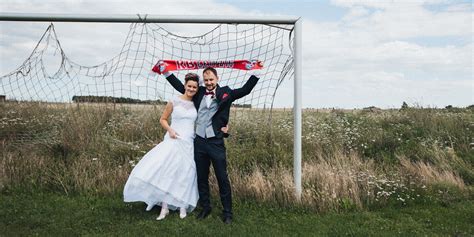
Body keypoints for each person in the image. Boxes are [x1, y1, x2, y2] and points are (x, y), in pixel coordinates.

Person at [164, 67, 260, 224]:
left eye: (211, 80)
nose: (208, 83)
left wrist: (256, 73)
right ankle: (205, 207)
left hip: (216, 142)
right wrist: (166, 72)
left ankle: (227, 212)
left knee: (222, 177)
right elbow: (181, 86)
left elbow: (245, 90)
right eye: (206, 80)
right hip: (199, 141)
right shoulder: (199, 91)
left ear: (217, 79)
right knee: (201, 177)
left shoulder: (226, 93)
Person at [123, 73, 201, 220]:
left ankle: (182, 205)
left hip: (188, 142)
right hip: (173, 139)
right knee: (168, 171)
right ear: (184, 86)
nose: (191, 89)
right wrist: (170, 130)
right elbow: (163, 119)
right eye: (189, 86)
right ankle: (164, 207)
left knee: (185, 173)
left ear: (197, 89)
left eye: (194, 87)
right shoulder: (174, 101)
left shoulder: (196, 104)